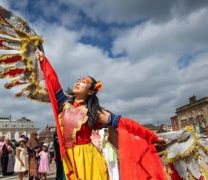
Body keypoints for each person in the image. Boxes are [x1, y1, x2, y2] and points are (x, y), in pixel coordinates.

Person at [36, 50, 166, 180]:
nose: (78, 82)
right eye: (78, 80)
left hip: (89, 160)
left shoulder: (95, 112)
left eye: (84, 82)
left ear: (91, 91)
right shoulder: (64, 104)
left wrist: (151, 136)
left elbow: (124, 124)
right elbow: (53, 81)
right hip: (68, 159)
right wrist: (43, 61)